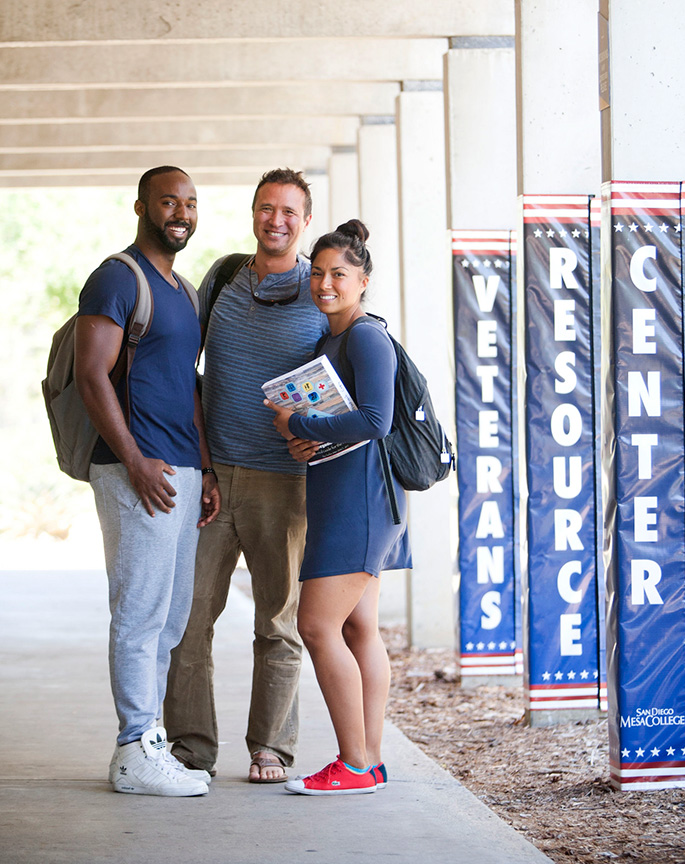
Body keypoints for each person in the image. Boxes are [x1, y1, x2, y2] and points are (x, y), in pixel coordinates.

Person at [164, 168, 326, 783]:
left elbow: (344, 384)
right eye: (266, 208)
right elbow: (186, 368)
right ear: (253, 214)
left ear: (304, 220)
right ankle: (189, 748)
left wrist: (318, 431)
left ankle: (272, 749)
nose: (275, 220)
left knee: (277, 622)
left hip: (285, 482)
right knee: (187, 618)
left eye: (288, 211)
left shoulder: (321, 286)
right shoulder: (225, 276)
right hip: (208, 479)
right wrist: (199, 463)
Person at [74, 165, 221, 797]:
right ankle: (133, 746)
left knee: (169, 619)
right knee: (139, 613)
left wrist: (207, 466)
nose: (181, 212)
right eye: (168, 201)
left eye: (190, 202)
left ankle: (149, 740)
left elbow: (187, 384)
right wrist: (134, 461)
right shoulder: (117, 277)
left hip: (182, 472)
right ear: (141, 207)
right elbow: (91, 374)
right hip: (136, 471)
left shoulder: (183, 291)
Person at [265, 220, 412, 795]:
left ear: (363, 280)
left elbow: (378, 420)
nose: (325, 283)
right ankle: (368, 761)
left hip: (363, 501)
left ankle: (353, 764)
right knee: (358, 628)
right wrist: (305, 435)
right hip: (342, 494)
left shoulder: (366, 338)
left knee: (315, 624)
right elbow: (339, 426)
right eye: (318, 273)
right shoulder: (330, 342)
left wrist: (297, 422)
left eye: (339, 274)